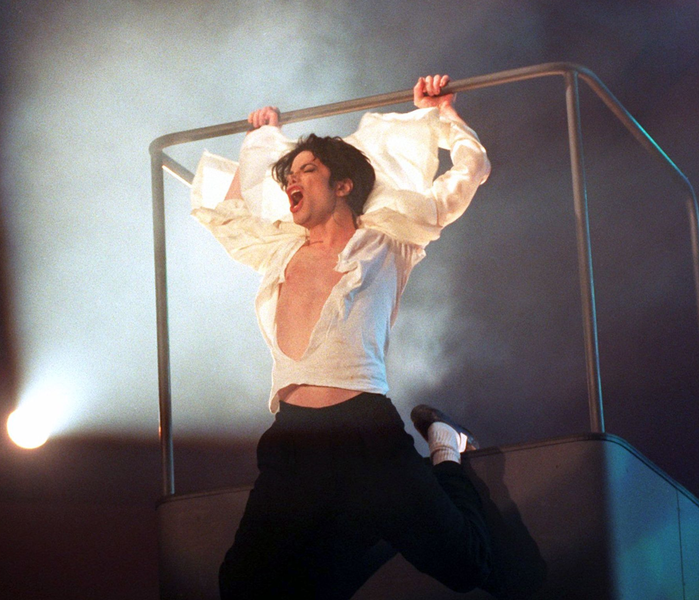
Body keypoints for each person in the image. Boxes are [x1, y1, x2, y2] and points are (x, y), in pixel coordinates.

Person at [191, 74, 501, 599]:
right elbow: (237, 201)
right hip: (292, 440)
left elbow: (470, 172)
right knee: (241, 588)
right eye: (289, 174)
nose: (293, 179)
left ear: (343, 186)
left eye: (308, 170)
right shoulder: (277, 251)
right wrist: (264, 138)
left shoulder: (389, 242)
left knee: (468, 565)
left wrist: (442, 116)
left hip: (366, 436)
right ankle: (372, 529)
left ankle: (445, 449)